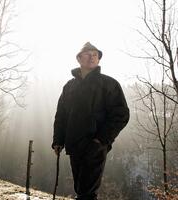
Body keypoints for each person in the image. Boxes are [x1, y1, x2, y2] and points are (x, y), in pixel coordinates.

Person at [52, 42, 130, 200]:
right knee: (81, 188)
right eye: (88, 54)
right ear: (79, 58)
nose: (92, 57)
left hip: (95, 145)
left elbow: (121, 114)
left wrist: (101, 140)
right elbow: (61, 115)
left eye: (95, 55)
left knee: (87, 192)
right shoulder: (70, 86)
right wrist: (58, 140)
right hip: (74, 144)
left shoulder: (108, 84)